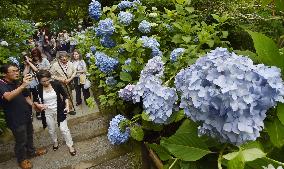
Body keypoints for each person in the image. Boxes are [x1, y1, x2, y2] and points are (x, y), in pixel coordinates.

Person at [0, 63, 47, 169]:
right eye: (13, 71)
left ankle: (31, 151)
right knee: (21, 140)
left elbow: (26, 96)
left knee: (30, 135)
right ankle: (22, 159)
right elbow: (8, 97)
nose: (17, 73)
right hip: (15, 118)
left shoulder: (17, 82)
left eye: (17, 70)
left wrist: (34, 105)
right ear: (5, 74)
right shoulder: (1, 84)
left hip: (26, 114)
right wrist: (22, 85)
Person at [34, 70, 76, 156]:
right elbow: (35, 101)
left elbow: (65, 95)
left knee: (64, 129)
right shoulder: (37, 88)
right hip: (47, 112)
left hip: (60, 109)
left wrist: (67, 106)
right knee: (51, 130)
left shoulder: (56, 84)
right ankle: (55, 142)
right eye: (43, 81)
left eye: (47, 80)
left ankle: (70, 145)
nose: (46, 82)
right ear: (39, 81)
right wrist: (39, 105)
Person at [23, 48, 50, 120]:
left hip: (40, 82)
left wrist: (31, 63)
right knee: (31, 98)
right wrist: (27, 64)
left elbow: (38, 70)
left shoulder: (44, 60)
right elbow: (24, 74)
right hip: (31, 83)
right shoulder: (30, 62)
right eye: (34, 55)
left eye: (36, 55)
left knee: (39, 97)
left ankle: (41, 111)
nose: (35, 57)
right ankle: (33, 113)